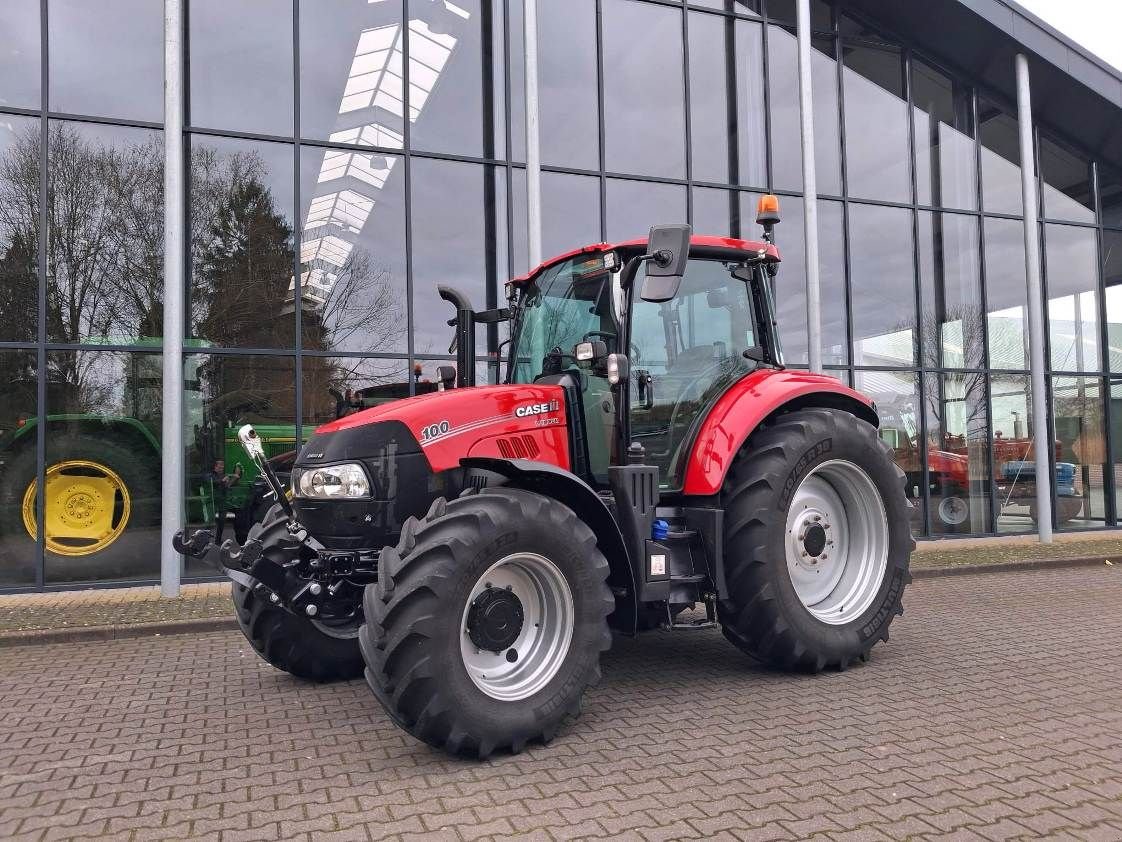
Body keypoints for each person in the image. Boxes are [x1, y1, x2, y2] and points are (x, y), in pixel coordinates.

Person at [210, 459, 242, 541]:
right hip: (213, 500)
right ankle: (205, 538)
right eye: (220, 466)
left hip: (222, 501)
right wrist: (222, 480)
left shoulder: (223, 475)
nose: (222, 467)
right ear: (215, 466)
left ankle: (218, 539)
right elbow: (213, 483)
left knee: (222, 521)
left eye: (222, 466)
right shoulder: (212, 475)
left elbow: (227, 486)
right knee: (210, 522)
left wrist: (233, 478)